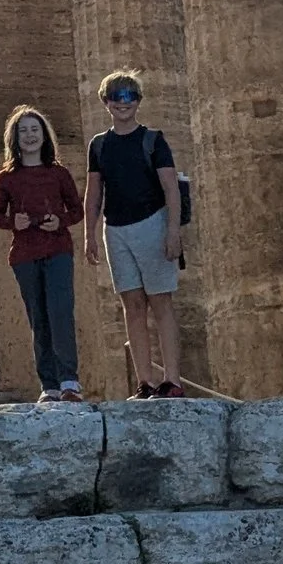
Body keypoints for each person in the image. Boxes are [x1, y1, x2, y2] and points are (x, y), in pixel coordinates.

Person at [84, 70, 185, 397]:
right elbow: (94, 192)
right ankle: (145, 381)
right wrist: (89, 234)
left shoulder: (153, 140)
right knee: (132, 304)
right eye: (116, 96)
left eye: (129, 96)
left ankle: (173, 380)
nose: (122, 102)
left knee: (161, 302)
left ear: (138, 100)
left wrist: (173, 231)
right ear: (106, 102)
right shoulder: (99, 145)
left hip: (152, 223)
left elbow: (171, 188)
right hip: (116, 229)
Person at [0, 105, 85, 403]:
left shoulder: (59, 174)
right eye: (23, 131)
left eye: (34, 129)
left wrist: (60, 221)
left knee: (60, 313)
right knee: (39, 319)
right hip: (25, 255)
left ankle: (69, 381)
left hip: (57, 250)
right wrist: (13, 222)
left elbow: (77, 210)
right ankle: (49, 385)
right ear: (15, 138)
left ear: (44, 135)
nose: (30, 136)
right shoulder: (6, 178)